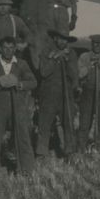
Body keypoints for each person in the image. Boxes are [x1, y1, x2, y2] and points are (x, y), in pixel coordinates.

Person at [0, 36, 38, 176]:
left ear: (15, 49)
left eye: (11, 48)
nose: (8, 51)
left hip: (18, 106)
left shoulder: (21, 64)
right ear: (0, 48)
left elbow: (33, 82)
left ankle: (26, 170)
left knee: (23, 137)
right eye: (5, 48)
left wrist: (20, 84)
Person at [35, 29, 79, 159]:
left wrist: (66, 60)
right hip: (48, 95)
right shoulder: (46, 51)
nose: (63, 42)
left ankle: (70, 152)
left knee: (68, 122)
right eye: (60, 38)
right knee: (44, 124)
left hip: (66, 95)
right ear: (55, 38)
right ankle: (41, 152)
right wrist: (54, 58)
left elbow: (74, 75)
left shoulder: (71, 54)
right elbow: (44, 72)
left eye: (65, 39)